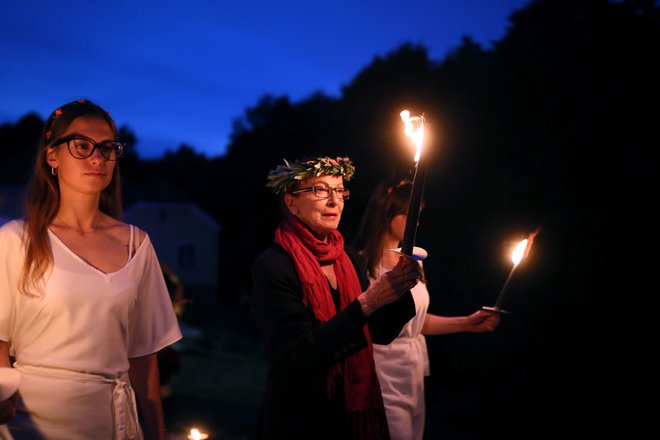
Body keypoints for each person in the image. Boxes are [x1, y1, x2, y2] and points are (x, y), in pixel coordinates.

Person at [0, 99, 182, 439]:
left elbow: (143, 354)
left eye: (107, 148)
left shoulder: (135, 245)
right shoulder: (16, 240)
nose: (97, 157)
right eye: (81, 146)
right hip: (32, 423)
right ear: (52, 156)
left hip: (111, 422)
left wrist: (158, 430)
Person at [251, 157, 421, 439]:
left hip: (349, 412)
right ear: (292, 203)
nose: (334, 201)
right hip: (300, 417)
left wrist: (398, 288)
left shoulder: (349, 258)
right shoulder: (273, 266)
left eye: (339, 190)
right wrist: (367, 303)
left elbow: (379, 332)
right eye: (320, 190)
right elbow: (299, 353)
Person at [352, 178, 501, 440]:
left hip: (413, 371)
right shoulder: (363, 263)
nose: (415, 223)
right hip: (382, 369)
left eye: (417, 215)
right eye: (409, 215)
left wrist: (468, 322)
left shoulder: (414, 262)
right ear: (387, 214)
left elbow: (417, 322)